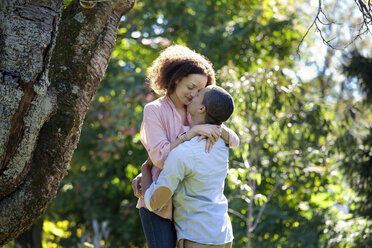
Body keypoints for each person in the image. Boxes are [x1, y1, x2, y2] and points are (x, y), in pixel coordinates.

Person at [132, 45, 239, 248]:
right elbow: (162, 158)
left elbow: (233, 141)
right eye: (191, 87)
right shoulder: (154, 110)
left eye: (199, 91)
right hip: (159, 205)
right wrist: (189, 134)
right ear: (176, 78)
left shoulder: (196, 111)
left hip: (189, 209)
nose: (193, 94)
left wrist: (217, 128)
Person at [142, 85, 235, 248]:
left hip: (198, 238)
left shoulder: (183, 153)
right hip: (223, 235)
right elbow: (234, 138)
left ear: (201, 108)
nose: (194, 94)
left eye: (199, 94)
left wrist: (146, 170)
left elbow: (155, 201)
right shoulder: (222, 142)